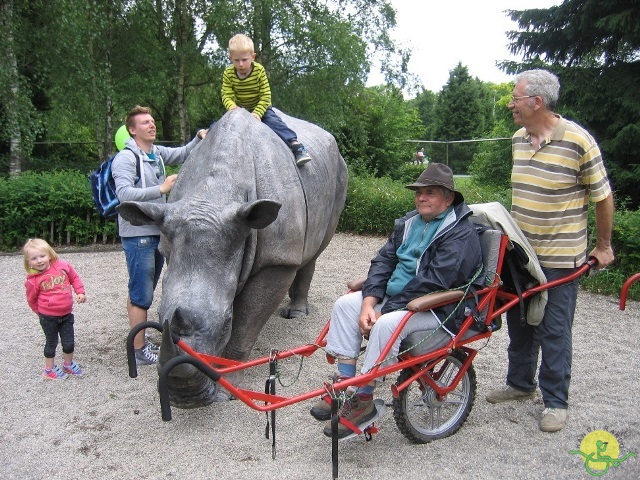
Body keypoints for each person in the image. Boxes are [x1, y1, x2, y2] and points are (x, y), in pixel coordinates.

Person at [310, 163, 483, 438]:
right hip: (398, 299)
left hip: (439, 308)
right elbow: (383, 262)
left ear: (448, 198)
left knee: (385, 324)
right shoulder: (409, 223)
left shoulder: (460, 234)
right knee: (345, 305)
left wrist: (382, 310)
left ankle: (364, 398)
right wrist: (368, 302)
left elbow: (434, 282)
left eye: (430, 193)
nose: (421, 198)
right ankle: (344, 384)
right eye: (419, 193)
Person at [486, 69, 615, 432]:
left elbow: (603, 197)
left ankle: (556, 401)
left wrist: (603, 246)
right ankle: (521, 385)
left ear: (536, 102)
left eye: (516, 98)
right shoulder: (517, 140)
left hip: (561, 258)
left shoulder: (578, 140)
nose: (511, 103)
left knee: (554, 329)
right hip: (521, 254)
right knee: (520, 321)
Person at [112, 105, 207, 366]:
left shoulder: (155, 153)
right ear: (132, 130)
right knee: (141, 293)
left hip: (155, 232)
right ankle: (139, 350)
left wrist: (197, 139)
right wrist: (161, 188)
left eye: (152, 121)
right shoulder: (126, 158)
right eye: (144, 123)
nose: (151, 125)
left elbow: (182, 153)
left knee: (146, 289)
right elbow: (124, 194)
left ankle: (139, 340)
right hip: (138, 233)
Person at [216, 33, 311, 167]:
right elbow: (226, 94)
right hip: (239, 110)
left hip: (261, 108)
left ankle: (296, 146)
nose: (241, 64)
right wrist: (232, 107)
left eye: (244, 59)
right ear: (230, 58)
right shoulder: (228, 73)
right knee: (217, 126)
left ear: (253, 57)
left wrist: (257, 113)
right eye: (236, 60)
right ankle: (200, 149)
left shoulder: (259, 70)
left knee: (275, 123)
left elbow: (266, 96)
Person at [23, 238, 87, 380]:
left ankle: (68, 364)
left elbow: (74, 278)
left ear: (50, 254)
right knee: (51, 342)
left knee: (69, 342)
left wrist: (80, 292)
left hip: (66, 314)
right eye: (34, 258)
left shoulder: (62, 266)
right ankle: (49, 369)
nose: (39, 261)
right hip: (48, 317)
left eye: (42, 256)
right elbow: (31, 299)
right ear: (28, 261)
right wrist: (39, 312)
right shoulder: (32, 280)